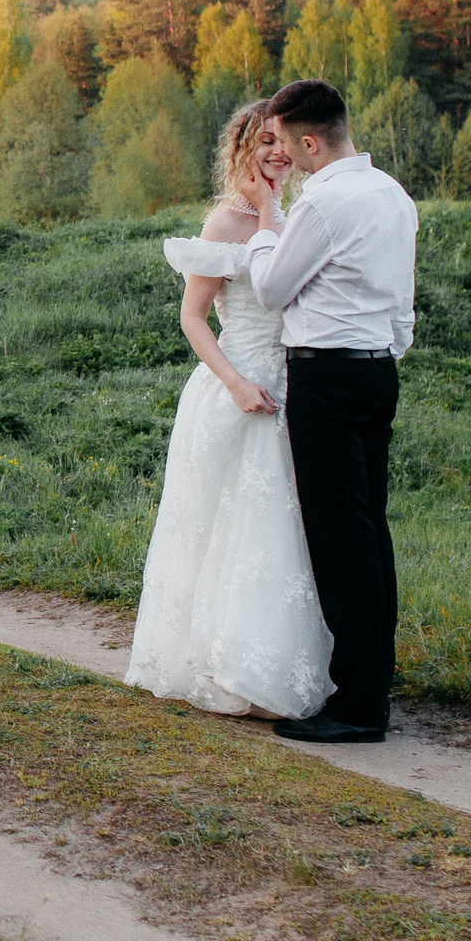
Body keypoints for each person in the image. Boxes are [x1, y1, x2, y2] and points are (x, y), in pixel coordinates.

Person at [124, 100, 335, 721]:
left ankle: (273, 667)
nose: (277, 152)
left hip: (293, 386)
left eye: (283, 142)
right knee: (234, 527)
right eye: (263, 141)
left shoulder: (291, 216)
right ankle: (225, 666)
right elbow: (192, 319)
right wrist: (237, 383)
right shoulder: (223, 223)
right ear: (240, 149)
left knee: (281, 531)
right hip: (236, 389)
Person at [233, 77, 419, 745]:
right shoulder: (394, 195)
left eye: (285, 141)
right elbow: (402, 309)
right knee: (371, 534)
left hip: (329, 379)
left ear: (310, 141)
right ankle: (373, 682)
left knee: (341, 543)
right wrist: (378, 351)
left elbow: (274, 287)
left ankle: (358, 703)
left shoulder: (323, 204)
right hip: (377, 372)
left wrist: (263, 220)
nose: (283, 152)